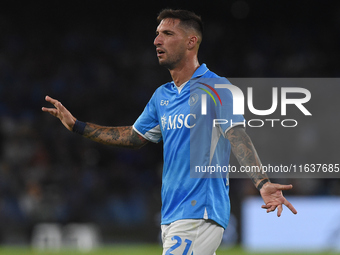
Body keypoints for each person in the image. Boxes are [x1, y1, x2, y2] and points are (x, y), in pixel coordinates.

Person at [42, 9, 297, 255]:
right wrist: (77, 125)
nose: (156, 40)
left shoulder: (217, 87)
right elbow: (133, 136)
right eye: (157, 33)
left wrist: (262, 182)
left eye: (167, 33)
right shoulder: (162, 96)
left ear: (191, 41)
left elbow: (237, 134)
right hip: (172, 214)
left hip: (199, 211)